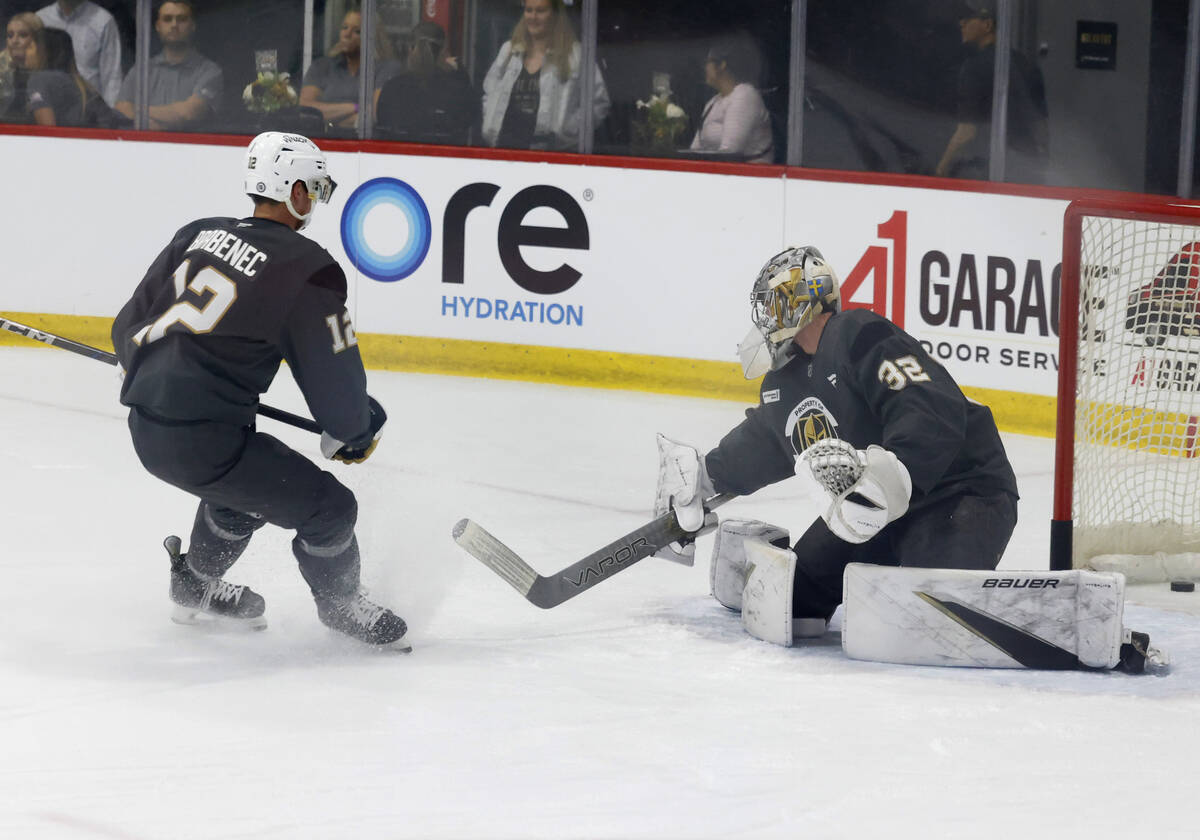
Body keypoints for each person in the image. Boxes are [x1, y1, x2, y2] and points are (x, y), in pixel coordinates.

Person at [110, 132, 409, 649]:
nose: (313, 201)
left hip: (146, 427)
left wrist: (145, 370)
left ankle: (195, 584)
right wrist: (353, 429)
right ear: (293, 190)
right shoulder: (305, 266)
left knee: (242, 491)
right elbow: (330, 373)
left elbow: (126, 329)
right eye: (312, 189)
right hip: (207, 444)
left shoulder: (197, 234)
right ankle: (341, 606)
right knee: (331, 509)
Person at [653, 245, 1019, 645]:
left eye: (773, 303)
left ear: (800, 299)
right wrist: (707, 477)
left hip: (962, 492)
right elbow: (769, 441)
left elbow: (928, 406)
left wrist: (894, 474)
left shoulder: (859, 333)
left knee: (932, 616)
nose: (767, 317)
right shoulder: (785, 381)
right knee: (792, 605)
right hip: (870, 509)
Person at [935, 4, 1048, 182]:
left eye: (967, 20)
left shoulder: (974, 68)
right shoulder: (1026, 64)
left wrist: (942, 167)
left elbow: (967, 132)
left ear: (987, 26)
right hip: (1027, 168)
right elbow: (1041, 125)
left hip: (990, 171)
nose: (961, 25)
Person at [481, 0, 610, 151]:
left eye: (540, 11)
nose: (533, 17)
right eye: (529, 10)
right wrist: (490, 122)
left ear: (555, 15)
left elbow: (599, 102)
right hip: (503, 148)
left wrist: (567, 130)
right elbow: (489, 91)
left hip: (549, 154)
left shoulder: (576, 55)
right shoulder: (509, 50)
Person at [114, 1, 222, 131]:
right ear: (158, 26)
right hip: (144, 148)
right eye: (167, 19)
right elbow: (121, 109)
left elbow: (189, 112)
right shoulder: (142, 69)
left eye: (181, 19)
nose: (174, 25)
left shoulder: (210, 71)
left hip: (193, 148)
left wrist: (138, 112)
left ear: (193, 25)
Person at [375, 21, 476, 145]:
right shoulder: (457, 90)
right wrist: (460, 74)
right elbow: (468, 122)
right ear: (444, 51)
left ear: (410, 48)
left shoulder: (392, 88)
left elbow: (383, 127)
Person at [299, 8, 395, 130]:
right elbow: (305, 110)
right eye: (344, 27)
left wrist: (330, 121)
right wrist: (356, 107)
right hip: (321, 140)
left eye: (357, 31)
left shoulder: (386, 68)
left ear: (372, 38)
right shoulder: (322, 66)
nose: (347, 34)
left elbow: (376, 114)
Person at [688, 36, 773, 163]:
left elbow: (728, 154)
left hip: (748, 177)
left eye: (707, 62)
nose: (704, 67)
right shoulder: (712, 103)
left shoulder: (745, 95)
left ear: (722, 65)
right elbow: (694, 149)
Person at [37, 0, 121, 107]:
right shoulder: (40, 19)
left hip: (89, 113)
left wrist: (108, 118)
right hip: (46, 108)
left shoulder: (103, 21)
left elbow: (112, 78)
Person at [1, 12, 44, 121]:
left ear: (37, 39)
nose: (14, 41)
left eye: (23, 35)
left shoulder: (48, 71)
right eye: (10, 35)